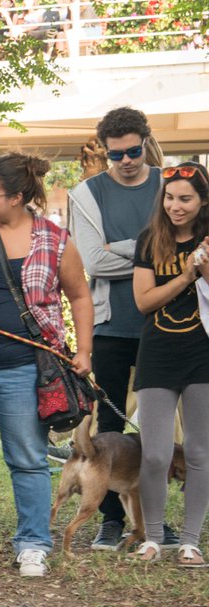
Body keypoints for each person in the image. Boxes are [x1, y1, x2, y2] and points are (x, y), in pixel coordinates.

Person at [0, 153, 93, 579]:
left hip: (26, 368)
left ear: (17, 197)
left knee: (27, 458)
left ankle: (33, 544)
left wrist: (84, 351)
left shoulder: (54, 239)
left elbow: (79, 296)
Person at [68, 107, 174, 552]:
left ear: (146, 143)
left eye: (133, 152)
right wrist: (157, 253)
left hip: (168, 323)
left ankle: (155, 522)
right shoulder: (86, 193)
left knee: (161, 430)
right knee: (108, 426)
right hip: (110, 325)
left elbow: (187, 247)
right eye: (116, 155)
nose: (126, 161)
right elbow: (95, 261)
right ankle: (110, 520)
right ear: (105, 152)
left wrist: (124, 248)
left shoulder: (171, 183)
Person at [128, 162, 209, 565]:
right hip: (158, 352)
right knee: (155, 454)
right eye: (170, 198)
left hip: (202, 354)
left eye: (185, 199)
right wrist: (186, 275)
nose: (175, 206)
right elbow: (144, 302)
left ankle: (191, 540)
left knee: (198, 451)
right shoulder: (150, 240)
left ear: (203, 202)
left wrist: (204, 267)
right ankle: (154, 537)